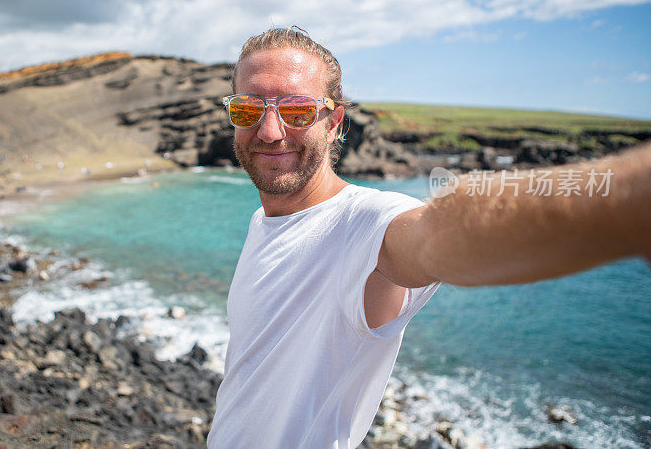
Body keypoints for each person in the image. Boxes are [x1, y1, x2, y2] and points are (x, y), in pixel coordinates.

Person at [205, 27, 651, 448]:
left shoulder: (364, 224)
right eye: (248, 109)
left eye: (297, 110)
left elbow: (439, 234)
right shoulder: (263, 221)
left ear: (334, 121)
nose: (269, 131)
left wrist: (628, 200)